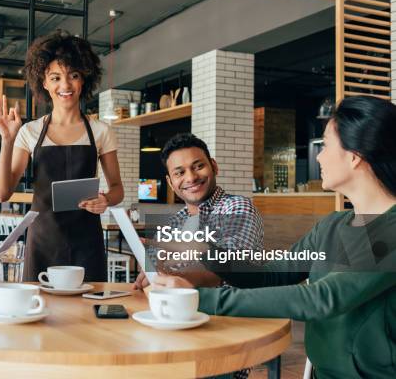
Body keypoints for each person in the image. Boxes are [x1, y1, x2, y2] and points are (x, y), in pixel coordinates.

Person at [151, 96, 396, 379]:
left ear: (354, 157)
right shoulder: (332, 225)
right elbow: (272, 274)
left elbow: (320, 298)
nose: (317, 156)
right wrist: (205, 251)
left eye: (326, 145)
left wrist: (195, 299)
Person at [0, 31, 124, 282]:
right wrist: (7, 141)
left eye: (73, 75)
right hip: (43, 240)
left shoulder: (100, 131)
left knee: (87, 313)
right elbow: (2, 193)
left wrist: (105, 199)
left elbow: (118, 189)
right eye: (56, 77)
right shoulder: (30, 132)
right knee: (42, 314)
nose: (65, 85)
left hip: (87, 241)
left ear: (83, 79)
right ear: (44, 82)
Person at [133, 132, 264, 289]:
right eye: (179, 172)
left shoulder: (237, 207)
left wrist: (178, 280)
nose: (191, 178)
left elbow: (232, 265)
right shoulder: (173, 222)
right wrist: (149, 274)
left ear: (214, 166)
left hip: (224, 311)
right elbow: (154, 267)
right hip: (173, 307)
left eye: (198, 166)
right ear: (170, 182)